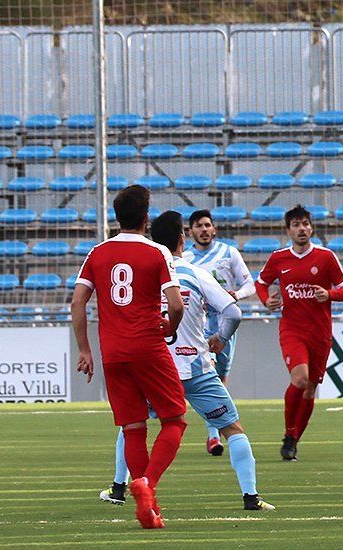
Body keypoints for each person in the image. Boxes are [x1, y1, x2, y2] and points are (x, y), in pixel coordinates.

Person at [100, 211, 275, 512]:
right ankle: (251, 497)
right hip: (195, 367)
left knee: (132, 426)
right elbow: (233, 313)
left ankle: (119, 488)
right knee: (232, 428)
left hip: (154, 367)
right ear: (183, 239)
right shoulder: (196, 273)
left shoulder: (145, 273)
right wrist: (219, 339)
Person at [71, 185, 188, 529]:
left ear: (116, 217)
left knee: (134, 427)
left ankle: (149, 511)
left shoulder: (97, 253)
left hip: (112, 352)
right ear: (146, 218)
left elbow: (78, 303)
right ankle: (147, 485)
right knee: (174, 419)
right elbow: (177, 304)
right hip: (148, 346)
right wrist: (170, 325)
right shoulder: (157, 252)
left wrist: (84, 349)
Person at [255, 205, 343, 461]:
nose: (302, 229)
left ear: (311, 227)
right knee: (300, 379)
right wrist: (266, 300)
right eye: (296, 225)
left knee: (310, 389)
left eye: (305, 224)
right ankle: (289, 433)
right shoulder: (278, 258)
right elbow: (261, 283)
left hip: (320, 333)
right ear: (288, 230)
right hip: (292, 329)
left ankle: (294, 440)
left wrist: (329, 294)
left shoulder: (326, 257)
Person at [182, 209, 256, 457]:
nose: (204, 230)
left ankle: (215, 428)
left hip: (226, 324)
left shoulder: (229, 253)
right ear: (190, 231)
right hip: (198, 326)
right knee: (208, 373)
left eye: (207, 225)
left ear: (214, 229)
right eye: (198, 226)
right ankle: (214, 436)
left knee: (220, 378)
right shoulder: (186, 258)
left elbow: (249, 285)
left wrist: (235, 296)